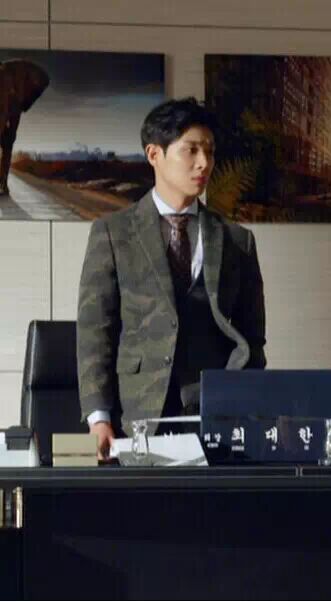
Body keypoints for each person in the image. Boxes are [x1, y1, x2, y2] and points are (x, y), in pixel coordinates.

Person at [77, 97, 266, 458]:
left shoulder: (237, 241)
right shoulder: (113, 233)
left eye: (210, 151)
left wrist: (250, 409)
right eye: (191, 150)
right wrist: (98, 417)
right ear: (154, 154)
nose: (204, 163)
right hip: (137, 415)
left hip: (217, 416)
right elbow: (94, 332)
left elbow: (253, 337)